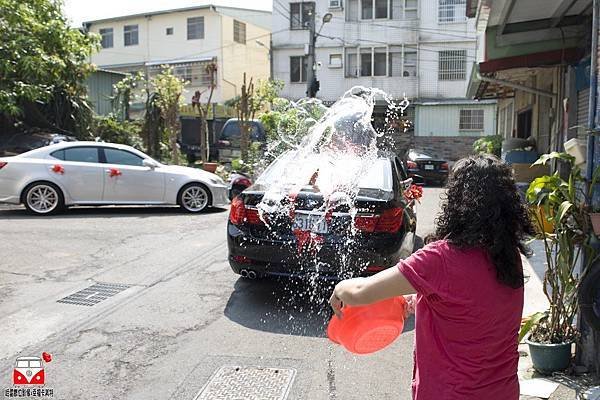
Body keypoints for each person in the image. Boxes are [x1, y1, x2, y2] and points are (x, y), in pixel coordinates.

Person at [329, 154, 535, 400]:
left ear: (457, 203)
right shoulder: (508, 256)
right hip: (502, 392)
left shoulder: (440, 259)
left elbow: (361, 293)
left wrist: (341, 287)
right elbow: (473, 305)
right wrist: (418, 300)